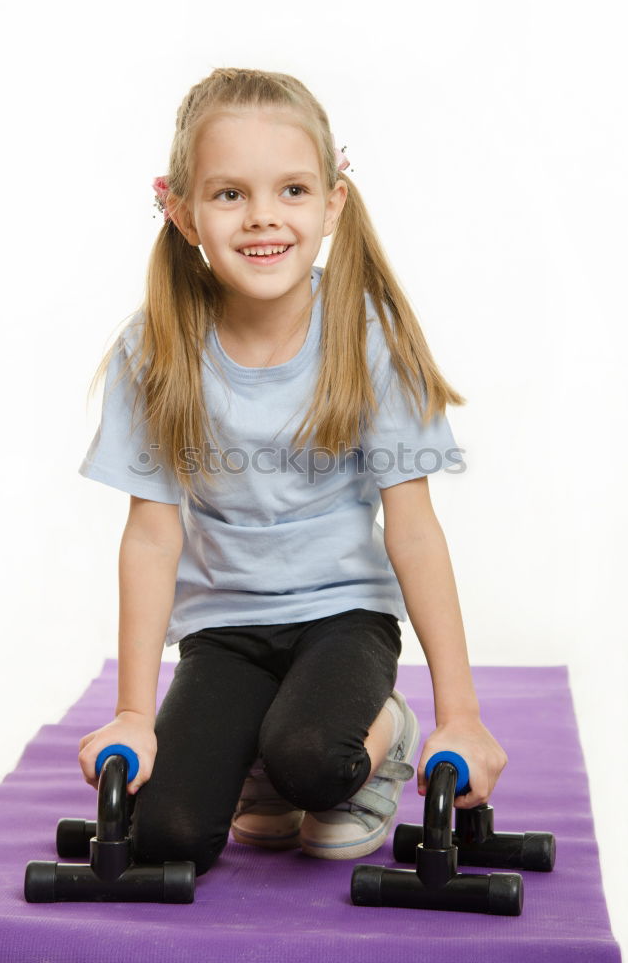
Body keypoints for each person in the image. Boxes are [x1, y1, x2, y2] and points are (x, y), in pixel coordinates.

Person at [77, 67, 508, 876]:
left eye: (293, 190)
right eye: (230, 194)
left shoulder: (366, 336)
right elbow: (150, 538)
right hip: (225, 631)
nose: (265, 216)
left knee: (313, 761)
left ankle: (384, 734)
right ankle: (258, 760)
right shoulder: (156, 350)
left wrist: (463, 714)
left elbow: (412, 530)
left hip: (343, 616)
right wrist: (136, 713)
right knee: (167, 836)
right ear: (180, 209)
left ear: (333, 202)